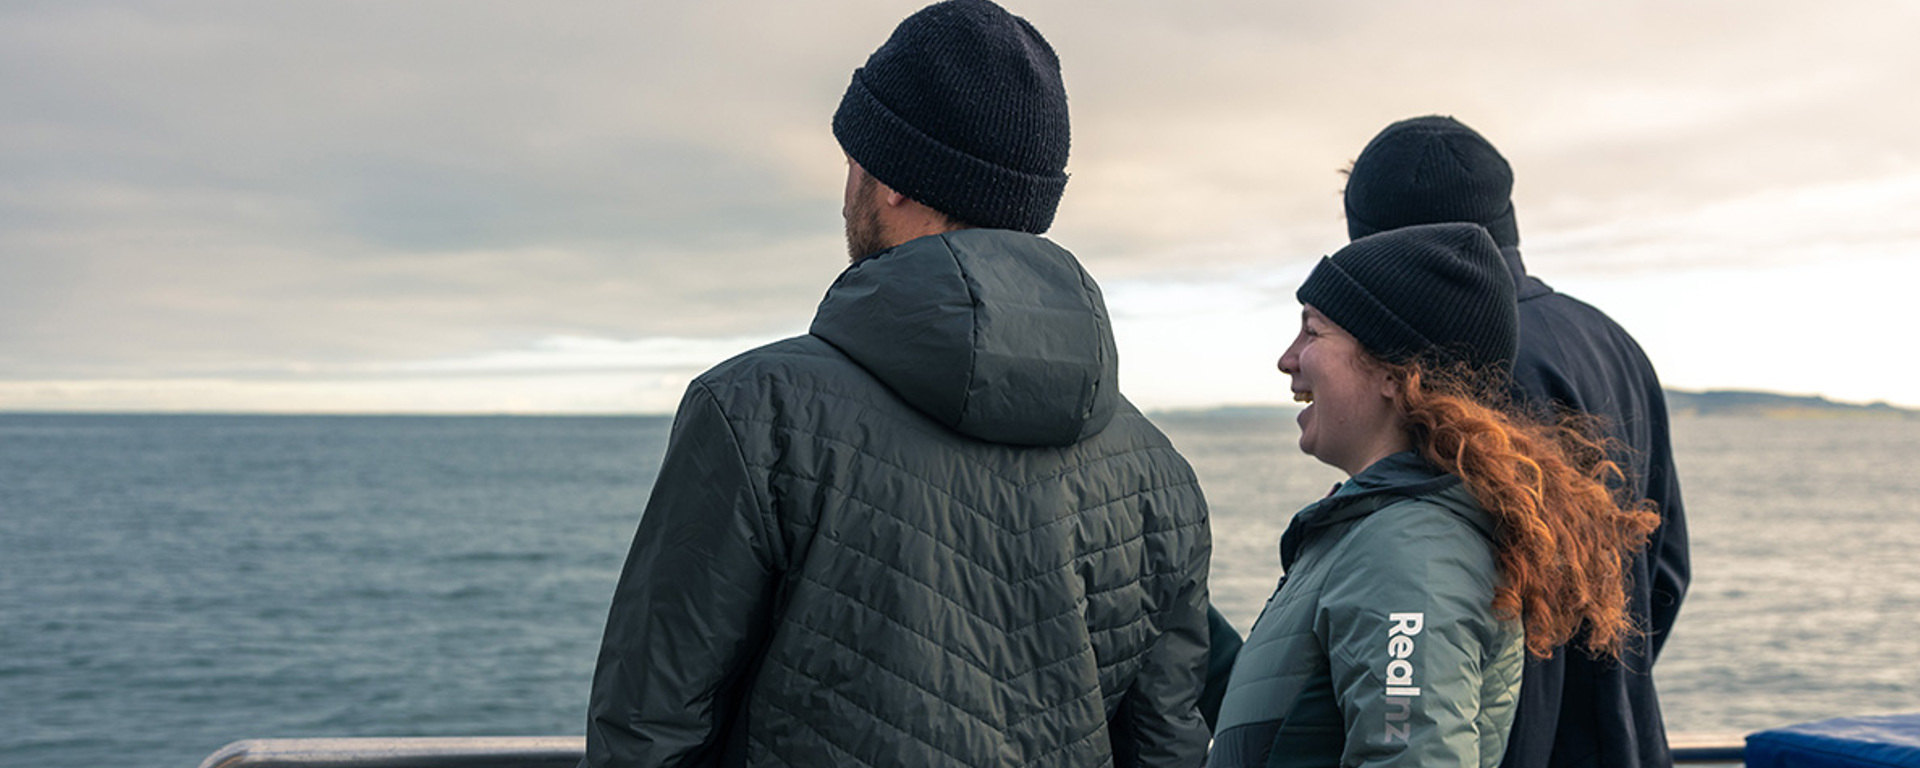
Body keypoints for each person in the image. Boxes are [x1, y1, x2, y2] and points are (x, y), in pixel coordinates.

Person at [579, 2, 1214, 766]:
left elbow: (646, 732)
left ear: (892, 183)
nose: (845, 186)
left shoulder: (756, 412)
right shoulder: (1161, 473)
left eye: (854, 158)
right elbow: (1167, 749)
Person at [1208, 223, 1662, 768]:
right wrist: (1169, 602)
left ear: (1393, 374)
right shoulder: (1375, 527)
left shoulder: (1412, 550)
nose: (1289, 358)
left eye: (1313, 331)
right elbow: (1280, 726)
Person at [1343, 115, 1690, 768]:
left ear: (1371, 241)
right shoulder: (1612, 341)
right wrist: (1608, 685)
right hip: (1631, 743)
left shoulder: (1449, 371)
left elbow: (1447, 607)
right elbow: (1666, 567)